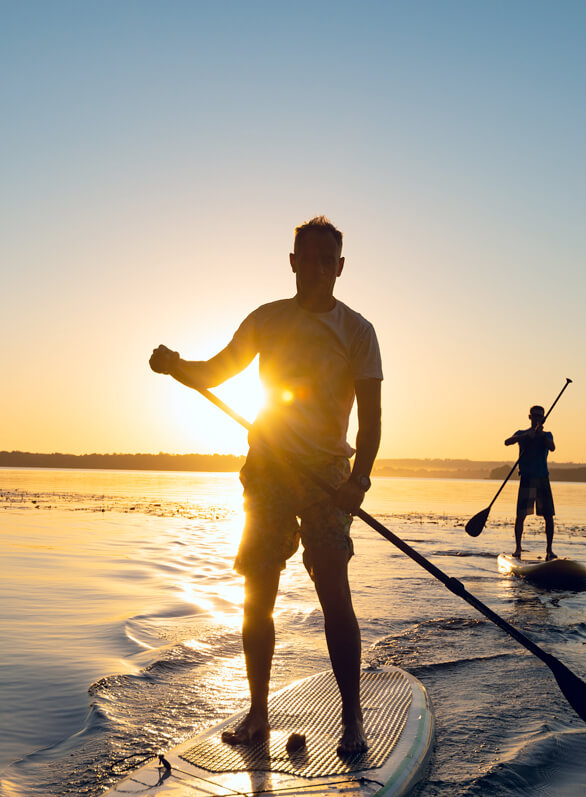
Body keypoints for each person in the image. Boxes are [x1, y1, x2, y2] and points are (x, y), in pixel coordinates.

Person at [148, 216, 381, 756]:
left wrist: (359, 481)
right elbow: (213, 372)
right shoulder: (266, 319)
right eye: (309, 257)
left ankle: (352, 719)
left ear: (340, 268)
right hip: (269, 468)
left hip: (327, 476)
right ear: (293, 261)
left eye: (330, 260)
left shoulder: (358, 331)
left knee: (333, 596)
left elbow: (370, 421)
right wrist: (174, 365)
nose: (319, 268)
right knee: (258, 593)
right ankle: (257, 713)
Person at [505, 405, 557, 561]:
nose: (537, 418)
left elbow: (552, 447)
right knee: (521, 515)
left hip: (542, 479)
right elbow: (507, 442)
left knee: (548, 516)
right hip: (527, 478)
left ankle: (549, 550)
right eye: (534, 415)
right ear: (530, 417)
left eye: (540, 416)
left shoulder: (547, 435)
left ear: (543, 419)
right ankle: (518, 548)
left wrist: (540, 435)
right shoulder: (522, 433)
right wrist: (528, 436)